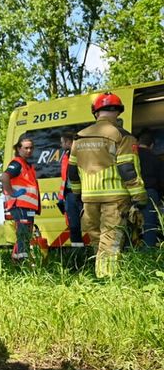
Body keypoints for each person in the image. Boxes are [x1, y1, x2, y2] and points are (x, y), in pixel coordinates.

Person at [69, 92, 147, 277]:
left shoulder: (79, 137)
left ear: (96, 112)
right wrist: (140, 198)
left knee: (99, 243)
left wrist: (79, 195)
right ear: (118, 112)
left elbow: (72, 172)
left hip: (89, 200)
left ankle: (101, 276)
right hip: (115, 199)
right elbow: (128, 169)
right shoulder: (122, 136)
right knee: (110, 243)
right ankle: (107, 282)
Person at [1, 137, 39, 260]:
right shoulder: (17, 163)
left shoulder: (28, 165)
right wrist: (11, 192)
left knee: (25, 235)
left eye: (31, 148)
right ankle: (23, 263)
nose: (29, 150)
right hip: (20, 205)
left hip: (27, 206)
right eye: (26, 148)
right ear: (19, 149)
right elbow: (4, 177)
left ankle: (17, 262)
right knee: (23, 235)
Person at [57, 130, 84, 247]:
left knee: (90, 223)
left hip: (82, 193)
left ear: (68, 142)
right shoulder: (66, 155)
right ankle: (78, 254)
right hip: (70, 195)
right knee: (74, 226)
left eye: (62, 143)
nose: (61, 145)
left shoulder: (81, 153)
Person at [137, 130, 162, 248]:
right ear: (151, 145)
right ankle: (148, 251)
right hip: (150, 192)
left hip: (131, 191)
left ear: (138, 142)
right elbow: (161, 179)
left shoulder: (131, 155)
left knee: (129, 222)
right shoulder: (155, 158)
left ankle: (128, 249)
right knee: (149, 224)